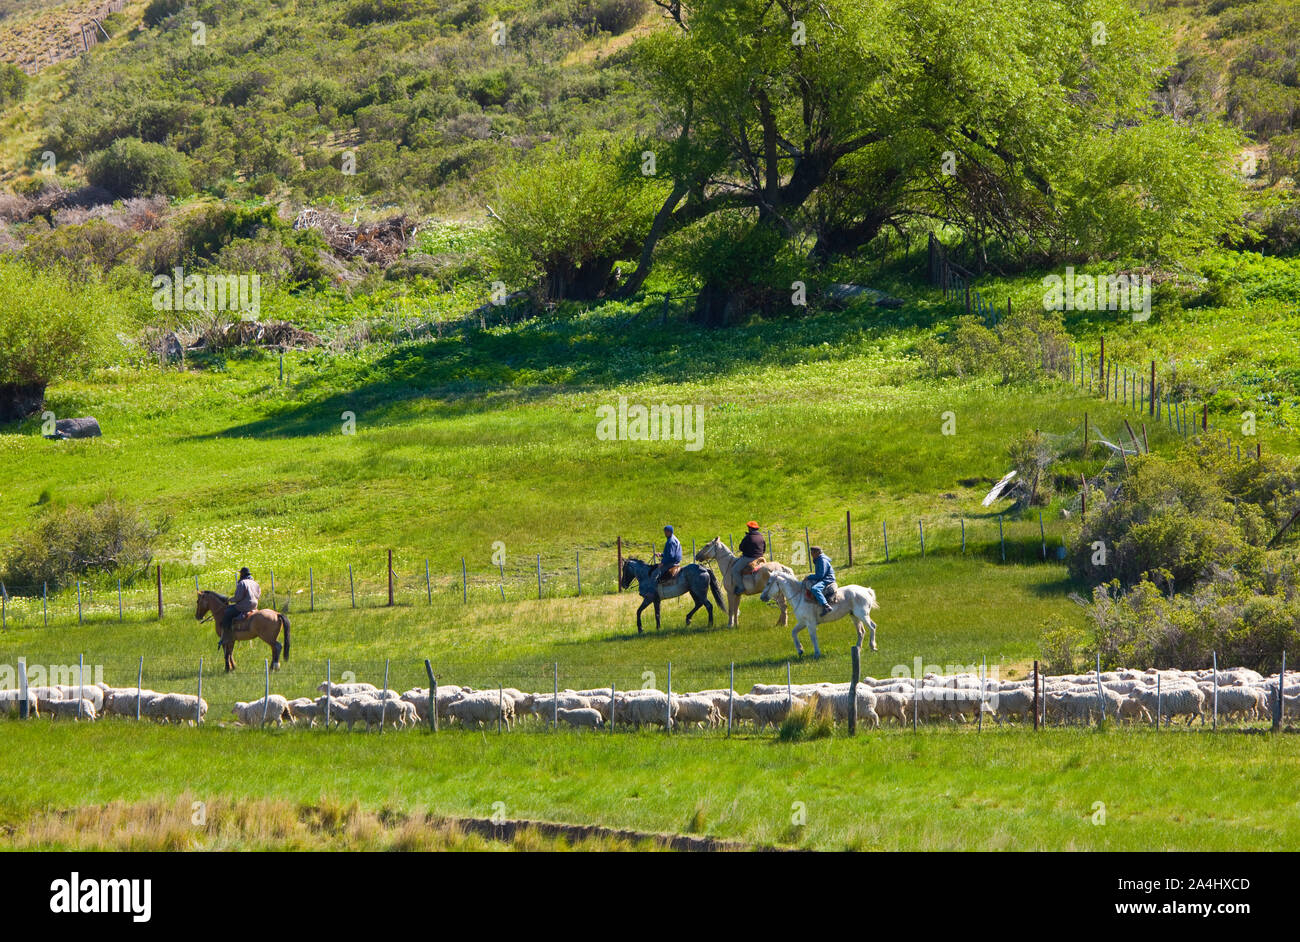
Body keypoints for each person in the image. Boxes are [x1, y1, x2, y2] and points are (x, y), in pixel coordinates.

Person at [221, 567, 261, 649]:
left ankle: (227, 636)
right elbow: (258, 595)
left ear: (242, 574)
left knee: (227, 613)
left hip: (243, 606)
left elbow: (238, 597)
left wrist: (230, 599)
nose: (239, 575)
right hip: (254, 605)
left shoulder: (242, 583)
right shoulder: (255, 583)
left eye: (240, 573)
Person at [734, 521, 767, 589]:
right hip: (760, 558)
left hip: (749, 558)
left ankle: (741, 587)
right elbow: (764, 549)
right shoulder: (761, 537)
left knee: (735, 570)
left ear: (750, 528)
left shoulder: (748, 537)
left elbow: (741, 548)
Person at [805, 546, 836, 616]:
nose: (811, 555)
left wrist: (809, 577)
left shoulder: (822, 560)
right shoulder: (818, 559)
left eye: (813, 553)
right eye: (811, 553)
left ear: (818, 553)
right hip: (823, 578)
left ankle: (826, 606)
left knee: (815, 589)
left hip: (827, 579)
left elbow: (820, 575)